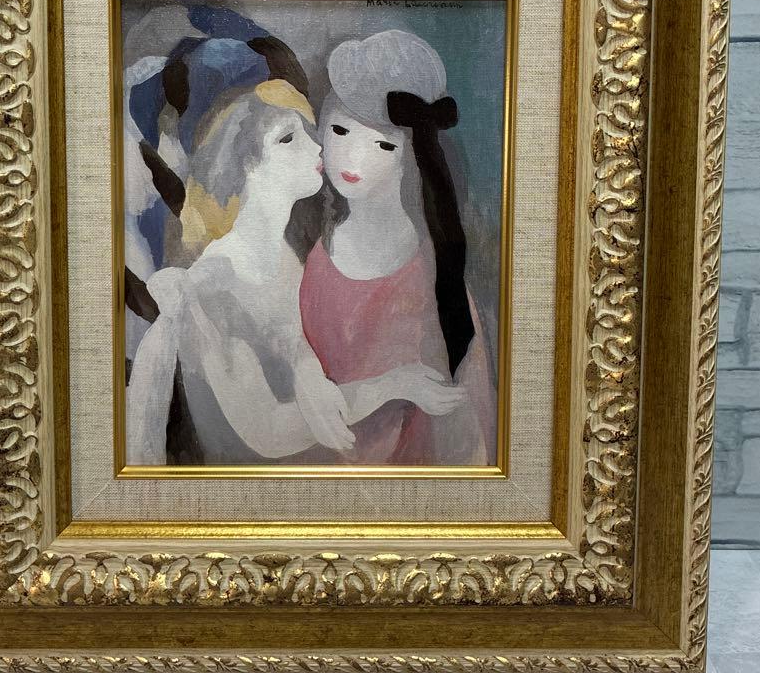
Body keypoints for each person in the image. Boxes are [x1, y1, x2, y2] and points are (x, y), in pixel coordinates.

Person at [125, 78, 466, 464]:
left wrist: (309, 374)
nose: (317, 146)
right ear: (245, 166)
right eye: (287, 139)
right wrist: (393, 384)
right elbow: (268, 430)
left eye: (308, 131)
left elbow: (291, 336)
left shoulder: (287, 255)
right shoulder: (214, 284)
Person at [299, 30, 497, 465]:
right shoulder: (314, 259)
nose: (352, 157)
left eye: (383, 144)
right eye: (340, 130)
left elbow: (466, 427)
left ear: (411, 158)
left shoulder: (431, 277)